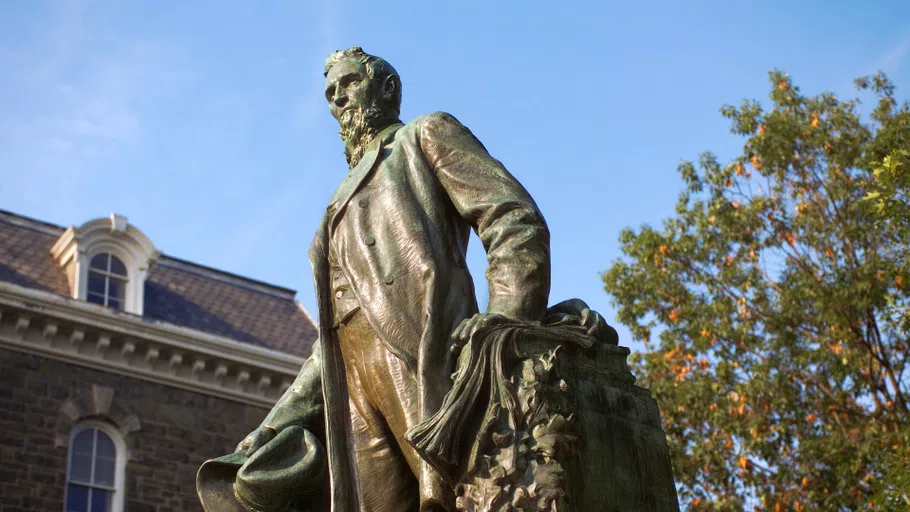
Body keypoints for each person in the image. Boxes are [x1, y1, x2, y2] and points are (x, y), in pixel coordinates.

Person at [236, 46, 551, 512]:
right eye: (329, 93)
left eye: (348, 84)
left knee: (461, 496)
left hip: (417, 346)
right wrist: (276, 423)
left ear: (387, 88)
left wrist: (507, 315)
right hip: (352, 381)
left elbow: (511, 217)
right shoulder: (330, 212)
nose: (338, 100)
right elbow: (329, 339)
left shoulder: (424, 136)